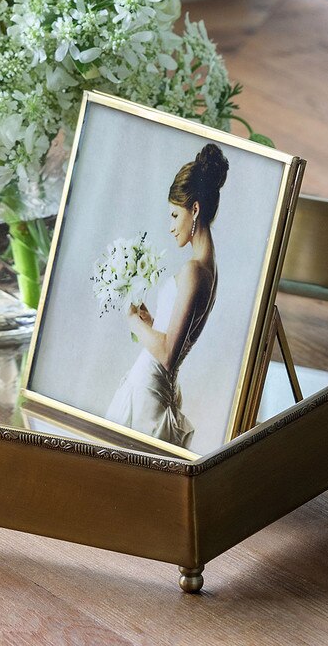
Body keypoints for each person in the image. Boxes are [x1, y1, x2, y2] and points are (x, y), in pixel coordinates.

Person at [104, 142, 229, 449]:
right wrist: (153, 322)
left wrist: (133, 321)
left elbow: (168, 355)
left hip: (148, 389)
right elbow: (176, 338)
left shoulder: (194, 270)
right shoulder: (210, 269)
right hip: (157, 388)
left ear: (195, 209)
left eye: (174, 215)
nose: (171, 227)